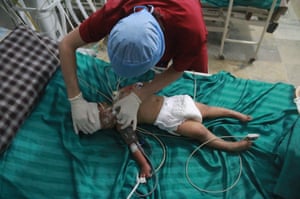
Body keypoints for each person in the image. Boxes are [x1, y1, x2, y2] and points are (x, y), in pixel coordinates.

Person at [59, 0, 208, 134]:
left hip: (185, 20)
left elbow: (177, 70)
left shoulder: (191, 29)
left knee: (200, 90)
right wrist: (75, 99)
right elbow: (66, 44)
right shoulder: (115, 10)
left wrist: (139, 96)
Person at [97, 83, 253, 178]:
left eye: (101, 114)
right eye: (104, 123)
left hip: (173, 103)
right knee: (200, 132)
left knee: (207, 110)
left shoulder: (121, 95)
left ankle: (234, 114)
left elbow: (142, 85)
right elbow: (133, 146)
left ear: (102, 105)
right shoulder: (122, 125)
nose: (107, 119)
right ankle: (231, 146)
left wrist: (129, 89)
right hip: (167, 119)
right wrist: (144, 165)